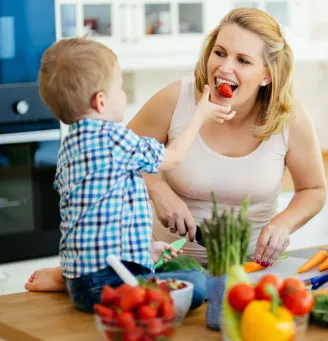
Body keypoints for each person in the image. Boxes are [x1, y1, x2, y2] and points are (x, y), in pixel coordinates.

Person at [26, 7, 327, 293]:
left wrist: (282, 224)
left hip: (251, 271)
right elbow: (112, 159)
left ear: (267, 74)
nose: (224, 67)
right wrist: (158, 189)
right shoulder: (176, 99)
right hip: (168, 268)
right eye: (219, 53)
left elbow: (313, 190)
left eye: (243, 61)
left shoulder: (291, 117)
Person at [25, 37, 233, 312]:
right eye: (120, 88)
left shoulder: (69, 147)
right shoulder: (114, 139)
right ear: (100, 101)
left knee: (175, 272)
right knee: (197, 282)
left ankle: (65, 280)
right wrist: (200, 114)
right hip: (113, 283)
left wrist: (147, 251)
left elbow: (97, 219)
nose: (124, 95)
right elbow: (173, 157)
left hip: (83, 281)